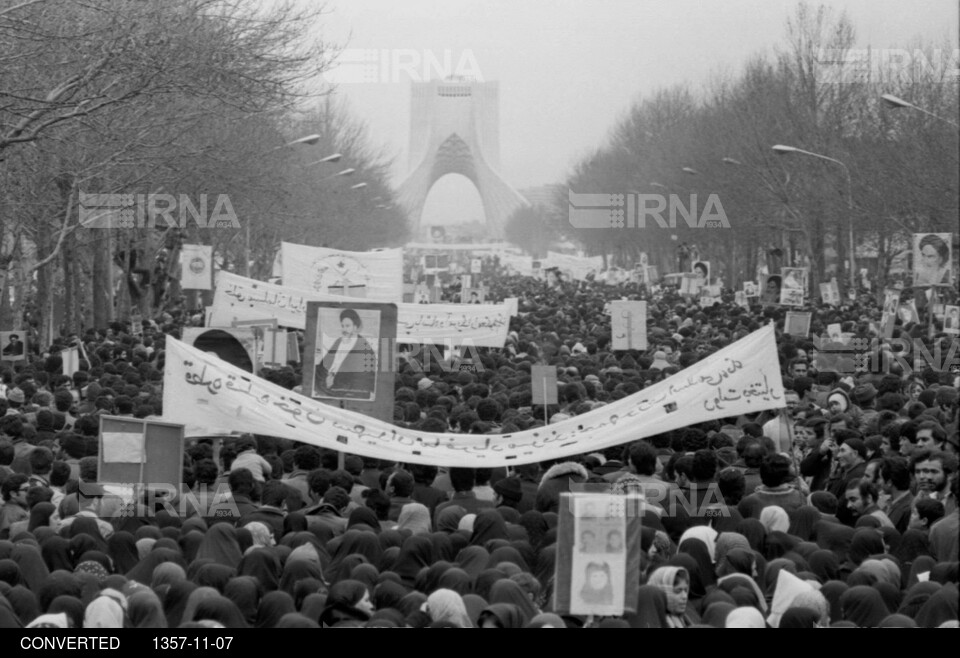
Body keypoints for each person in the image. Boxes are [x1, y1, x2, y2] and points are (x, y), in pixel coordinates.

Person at [314, 309, 378, 400]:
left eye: (347, 326)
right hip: (327, 383)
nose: (344, 329)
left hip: (347, 391)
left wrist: (333, 381)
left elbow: (361, 379)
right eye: (342, 326)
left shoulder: (365, 349)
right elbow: (324, 364)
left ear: (355, 327)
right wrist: (326, 379)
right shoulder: (339, 341)